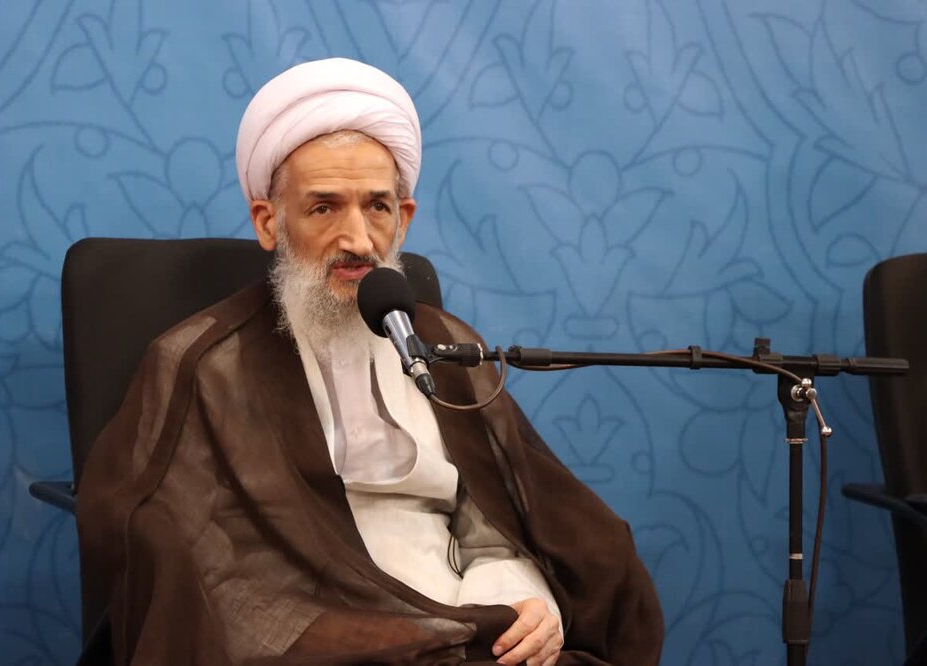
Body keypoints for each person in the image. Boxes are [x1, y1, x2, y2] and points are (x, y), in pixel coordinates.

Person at [76, 58, 663, 665]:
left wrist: (523, 603)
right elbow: (185, 554)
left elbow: (503, 524)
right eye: (324, 208)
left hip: (470, 618)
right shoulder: (205, 363)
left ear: (403, 219)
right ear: (269, 222)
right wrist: (388, 638)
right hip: (319, 627)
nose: (357, 240)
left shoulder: (447, 346)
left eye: (377, 207)